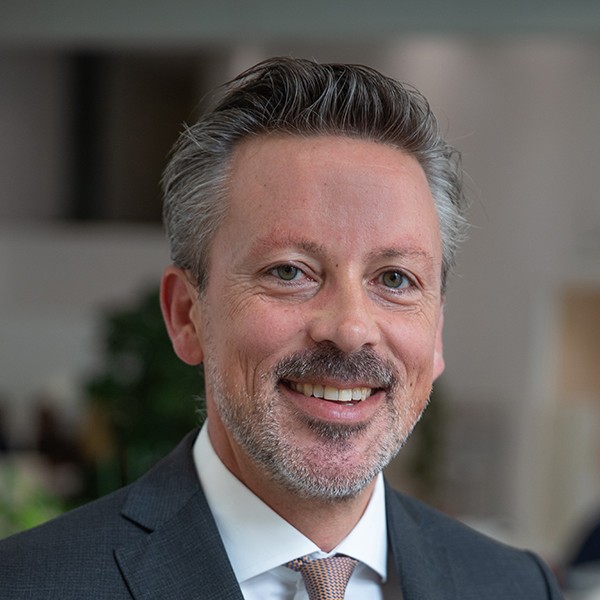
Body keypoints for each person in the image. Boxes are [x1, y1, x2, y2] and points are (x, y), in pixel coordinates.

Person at [0, 57, 562, 599]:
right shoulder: (28, 586)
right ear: (186, 315)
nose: (350, 328)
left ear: (436, 331)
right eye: (289, 272)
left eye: (395, 279)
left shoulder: (515, 588)